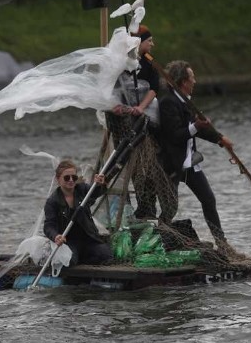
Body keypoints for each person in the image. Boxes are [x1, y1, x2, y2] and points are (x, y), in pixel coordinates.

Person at [158, 60, 240, 258]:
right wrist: (196, 126)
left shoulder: (186, 101)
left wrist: (221, 140)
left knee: (208, 200)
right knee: (170, 208)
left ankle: (222, 243)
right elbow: (176, 135)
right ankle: (158, 241)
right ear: (183, 81)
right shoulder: (168, 102)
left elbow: (201, 129)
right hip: (173, 164)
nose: (195, 80)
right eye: (192, 77)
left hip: (190, 163)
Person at [105, 26, 177, 223]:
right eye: (149, 41)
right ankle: (141, 208)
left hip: (146, 117)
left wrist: (140, 107)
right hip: (125, 121)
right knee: (134, 166)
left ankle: (151, 207)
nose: (152, 44)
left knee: (151, 164)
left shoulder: (148, 62)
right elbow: (111, 88)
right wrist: (115, 106)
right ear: (139, 42)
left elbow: (153, 89)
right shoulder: (123, 63)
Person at [43, 160, 113, 266]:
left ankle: (83, 258)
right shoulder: (52, 201)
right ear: (58, 179)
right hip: (68, 241)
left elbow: (95, 193)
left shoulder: (82, 189)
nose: (71, 180)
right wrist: (56, 236)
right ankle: (76, 259)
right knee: (69, 261)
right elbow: (49, 226)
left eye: (74, 177)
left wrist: (99, 185)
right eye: (66, 178)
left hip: (88, 238)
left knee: (106, 255)